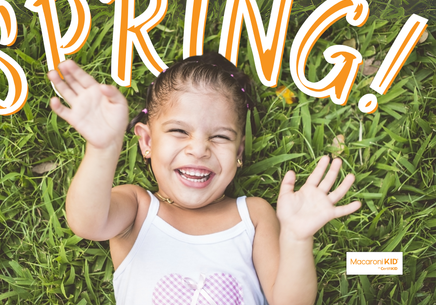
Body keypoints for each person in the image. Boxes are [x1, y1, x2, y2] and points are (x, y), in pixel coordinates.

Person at [47, 53, 361, 305]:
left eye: (220, 137)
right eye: (179, 131)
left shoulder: (253, 214)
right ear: (146, 141)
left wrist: (296, 238)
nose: (199, 149)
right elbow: (86, 223)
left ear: (238, 152)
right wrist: (103, 148)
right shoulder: (138, 208)